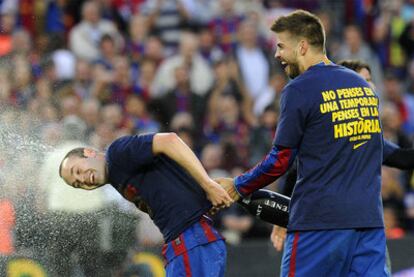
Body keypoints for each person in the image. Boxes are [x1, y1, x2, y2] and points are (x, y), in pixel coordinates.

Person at [218, 10, 389, 276]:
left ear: (302, 46)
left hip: (319, 225)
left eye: (281, 46)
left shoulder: (299, 89)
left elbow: (280, 161)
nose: (277, 55)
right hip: (369, 223)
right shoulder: (364, 88)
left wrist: (238, 186)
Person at [59, 132, 232, 276]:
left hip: (190, 241)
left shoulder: (117, 154)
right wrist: (199, 193)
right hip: (187, 240)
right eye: (77, 184)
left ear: (89, 152)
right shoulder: (116, 174)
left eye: (77, 171)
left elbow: (169, 140)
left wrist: (207, 183)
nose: (82, 180)